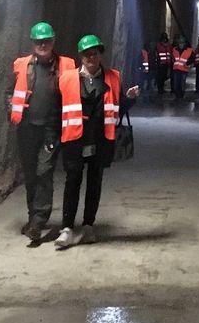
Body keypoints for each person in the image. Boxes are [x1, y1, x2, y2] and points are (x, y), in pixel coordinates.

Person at [55, 35, 140, 249]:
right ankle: (67, 228)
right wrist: (54, 137)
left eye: (95, 53)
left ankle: (88, 226)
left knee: (95, 182)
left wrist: (128, 98)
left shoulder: (112, 78)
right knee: (72, 182)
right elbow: (57, 110)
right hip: (74, 139)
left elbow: (118, 109)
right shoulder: (66, 79)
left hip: (100, 139)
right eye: (87, 54)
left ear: (100, 54)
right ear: (81, 56)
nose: (91, 57)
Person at [7, 21, 77, 241]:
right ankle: (33, 218)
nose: (43, 44)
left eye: (46, 40)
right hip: (27, 130)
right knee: (30, 174)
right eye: (39, 41)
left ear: (53, 41)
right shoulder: (23, 66)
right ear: (33, 43)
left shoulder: (65, 67)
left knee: (43, 172)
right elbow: (10, 91)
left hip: (51, 130)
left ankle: (38, 221)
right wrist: (10, 105)